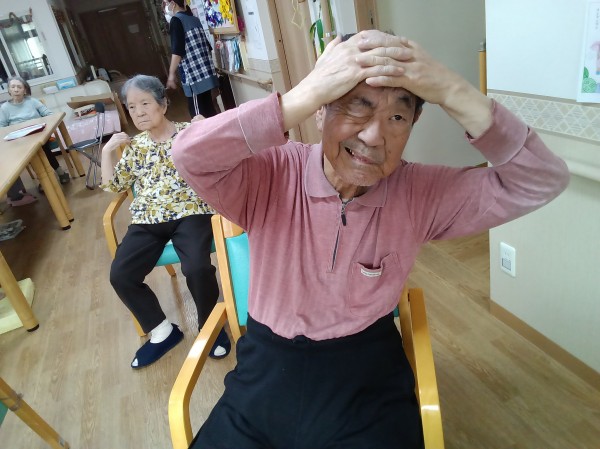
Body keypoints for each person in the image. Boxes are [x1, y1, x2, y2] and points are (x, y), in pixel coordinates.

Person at [172, 31, 570, 448]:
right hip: (264, 375)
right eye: (355, 106)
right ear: (320, 109)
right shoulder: (269, 175)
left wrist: (452, 90)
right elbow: (188, 154)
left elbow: (542, 179)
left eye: (397, 117)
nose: (373, 136)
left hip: (366, 376)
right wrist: (305, 93)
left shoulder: (420, 194)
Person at [100, 74, 230, 370]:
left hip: (190, 213)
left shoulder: (189, 132)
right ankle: (162, 331)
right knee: (121, 274)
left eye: (145, 103)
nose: (139, 112)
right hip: (147, 220)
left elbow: (220, 162)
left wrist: (207, 130)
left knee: (197, 268)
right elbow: (114, 186)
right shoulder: (136, 146)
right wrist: (107, 151)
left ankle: (209, 326)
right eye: (132, 107)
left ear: (163, 103)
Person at [1, 76, 70, 207]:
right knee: (32, 151)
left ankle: (57, 173)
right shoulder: (4, 108)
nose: (16, 89)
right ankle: (46, 179)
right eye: (12, 87)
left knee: (40, 147)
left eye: (19, 87)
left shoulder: (32, 101)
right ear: (9, 90)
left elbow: (48, 114)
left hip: (38, 135)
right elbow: (2, 127)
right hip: (18, 141)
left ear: (25, 90)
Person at [163, 0, 219, 119]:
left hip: (194, 78)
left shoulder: (176, 20)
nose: (166, 7)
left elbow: (177, 51)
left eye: (166, 3)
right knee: (209, 110)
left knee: (197, 115)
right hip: (206, 74)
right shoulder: (195, 19)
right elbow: (207, 47)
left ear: (173, 3)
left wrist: (171, 74)